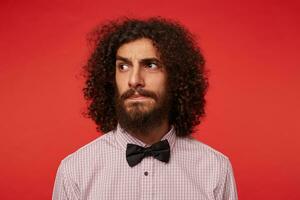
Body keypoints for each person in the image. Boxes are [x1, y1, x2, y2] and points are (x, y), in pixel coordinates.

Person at [52, 17, 238, 200]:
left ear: (176, 77)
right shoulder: (74, 172)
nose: (134, 80)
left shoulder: (215, 169)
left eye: (150, 65)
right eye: (123, 66)